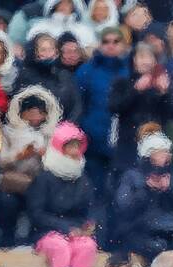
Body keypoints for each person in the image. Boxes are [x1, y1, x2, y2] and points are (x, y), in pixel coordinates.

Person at [28, 121, 98, 267]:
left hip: (77, 232)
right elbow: (37, 214)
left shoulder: (83, 179)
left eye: (77, 147)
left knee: (87, 246)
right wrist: (65, 228)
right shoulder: (44, 178)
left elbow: (90, 208)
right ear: (59, 148)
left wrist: (89, 224)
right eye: (71, 147)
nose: (75, 152)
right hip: (47, 232)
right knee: (60, 247)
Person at [0, 85, 62, 246]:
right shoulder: (7, 131)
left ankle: (32, 241)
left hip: (39, 184)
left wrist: (44, 156)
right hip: (13, 182)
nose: (35, 116)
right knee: (8, 204)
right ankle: (7, 241)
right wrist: (20, 155)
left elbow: (57, 162)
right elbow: (1, 160)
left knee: (38, 208)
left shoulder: (51, 134)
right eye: (31, 112)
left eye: (40, 113)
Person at [111, 131, 173, 259]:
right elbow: (124, 207)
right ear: (149, 154)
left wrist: (170, 189)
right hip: (138, 231)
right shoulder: (131, 176)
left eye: (167, 152)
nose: (166, 155)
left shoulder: (171, 176)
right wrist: (146, 189)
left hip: (169, 231)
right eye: (162, 152)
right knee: (156, 247)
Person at [73, 25, 129, 201]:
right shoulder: (86, 71)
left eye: (115, 41)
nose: (111, 45)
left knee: (119, 194)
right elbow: (78, 104)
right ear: (100, 44)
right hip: (93, 140)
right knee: (94, 192)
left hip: (122, 141)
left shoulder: (129, 71)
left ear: (123, 45)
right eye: (106, 41)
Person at [107, 42, 173, 174]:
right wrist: (135, 90)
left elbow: (172, 114)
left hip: (154, 147)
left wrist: (165, 94)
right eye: (142, 57)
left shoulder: (160, 84)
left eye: (149, 57)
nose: (146, 61)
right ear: (134, 60)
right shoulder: (122, 82)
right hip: (128, 146)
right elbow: (114, 107)